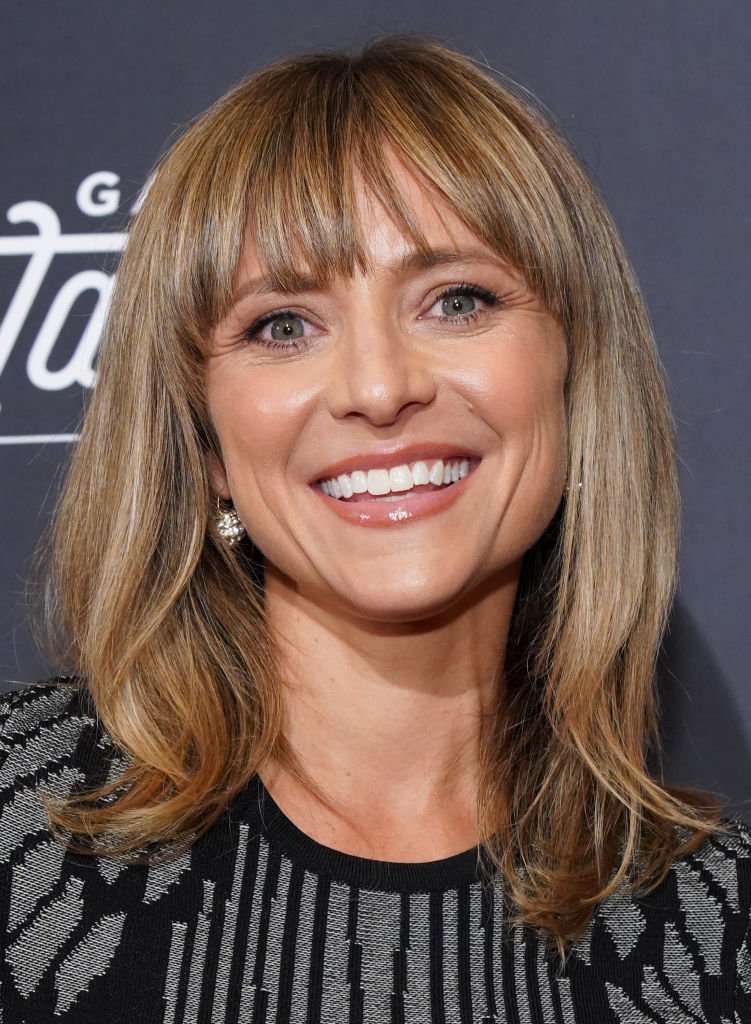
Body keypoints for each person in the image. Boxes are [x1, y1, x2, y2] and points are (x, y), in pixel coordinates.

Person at [0, 35, 748, 1024]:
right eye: (282, 326)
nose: (380, 387)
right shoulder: (18, 816)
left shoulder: (719, 934)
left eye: (457, 300)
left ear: (572, 380)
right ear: (206, 440)